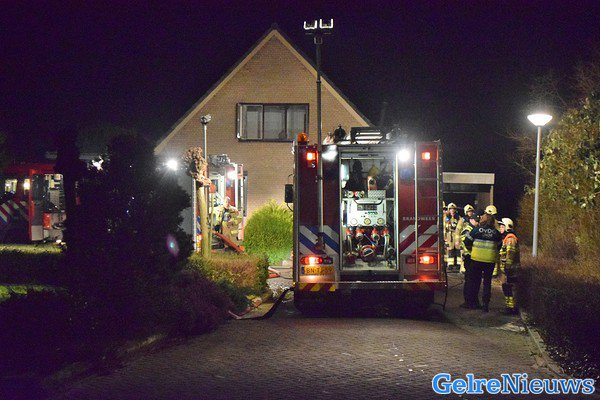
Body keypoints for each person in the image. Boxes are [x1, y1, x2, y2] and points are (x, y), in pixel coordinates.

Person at [464, 213, 503, 312]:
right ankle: (486, 304)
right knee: (487, 282)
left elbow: (467, 242)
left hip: (476, 259)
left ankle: (472, 303)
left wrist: (471, 250)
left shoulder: (476, 230)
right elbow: (499, 246)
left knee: (474, 281)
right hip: (489, 261)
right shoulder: (496, 233)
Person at [499, 218, 520, 314]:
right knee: (506, 288)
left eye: (502, 226)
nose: (500, 228)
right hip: (507, 269)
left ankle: (512, 308)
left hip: (511, 270)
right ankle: (509, 307)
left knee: (510, 288)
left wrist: (507, 267)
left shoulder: (510, 239)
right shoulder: (506, 238)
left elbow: (510, 255)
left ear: (507, 227)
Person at [459, 212, 480, 309]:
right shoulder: (467, 230)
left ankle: (474, 301)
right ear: (471, 220)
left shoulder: (476, 229)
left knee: (475, 281)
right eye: (476, 221)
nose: (477, 223)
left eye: (478, 221)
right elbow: (466, 243)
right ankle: (468, 301)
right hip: (469, 257)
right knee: (469, 281)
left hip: (474, 258)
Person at [457, 204, 475, 273]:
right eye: (468, 211)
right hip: (463, 239)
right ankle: (463, 268)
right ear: (466, 212)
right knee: (463, 254)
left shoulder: (474, 219)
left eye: (471, 211)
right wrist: (457, 240)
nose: (470, 213)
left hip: (471, 239)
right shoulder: (462, 220)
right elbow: (458, 230)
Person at [443, 203, 462, 272]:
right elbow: (444, 228)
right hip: (449, 235)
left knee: (458, 250)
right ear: (449, 210)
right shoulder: (446, 218)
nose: (452, 210)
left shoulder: (458, 217)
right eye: (451, 209)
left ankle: (458, 264)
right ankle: (450, 264)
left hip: (457, 236)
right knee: (450, 250)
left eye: (453, 209)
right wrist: (445, 237)